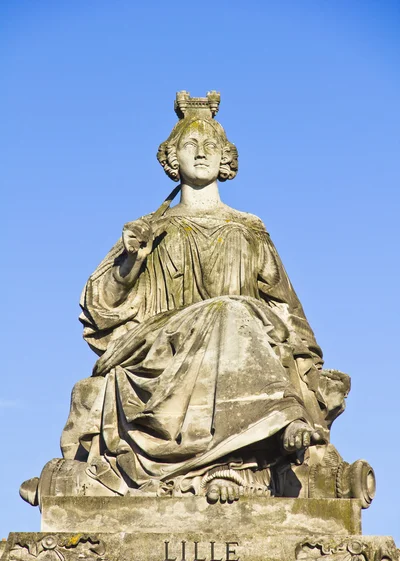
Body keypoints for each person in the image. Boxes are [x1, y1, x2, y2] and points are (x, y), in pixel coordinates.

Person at [23, 93, 364, 507]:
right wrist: (131, 261)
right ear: (171, 158)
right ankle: (276, 424)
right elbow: (100, 307)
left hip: (244, 344)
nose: (201, 153)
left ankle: (251, 447)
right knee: (230, 310)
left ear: (226, 159)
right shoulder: (150, 228)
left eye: (211, 147)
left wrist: (309, 368)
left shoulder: (249, 229)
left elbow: (285, 307)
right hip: (162, 344)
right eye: (190, 145)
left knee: (236, 314)